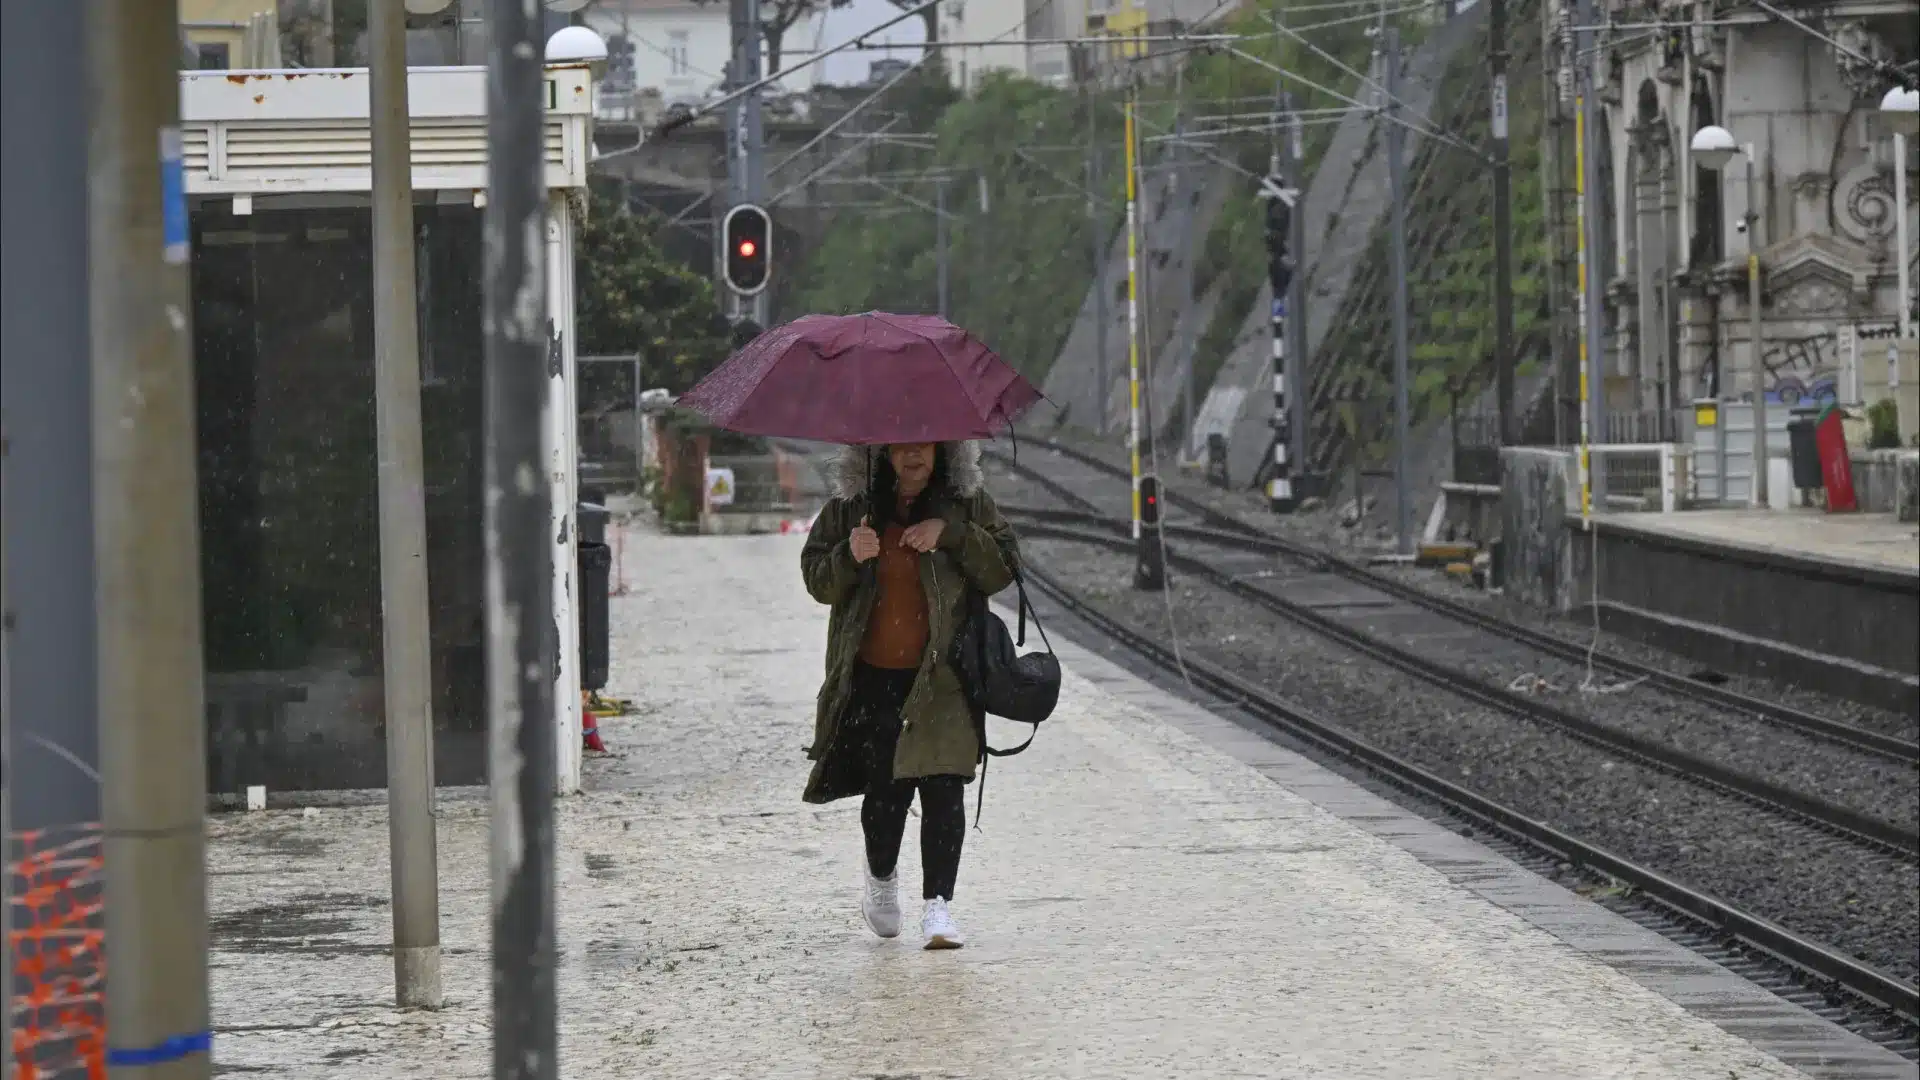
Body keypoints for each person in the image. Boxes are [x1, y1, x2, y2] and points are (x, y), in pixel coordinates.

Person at [800, 440, 1018, 949]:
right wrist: (848, 555)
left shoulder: (968, 503)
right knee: (887, 795)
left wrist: (954, 534)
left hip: (945, 678)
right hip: (874, 678)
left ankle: (939, 907)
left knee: (945, 789)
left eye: (924, 445)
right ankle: (879, 878)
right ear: (880, 451)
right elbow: (817, 579)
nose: (913, 455)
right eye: (900, 446)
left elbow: (1004, 567)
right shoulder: (851, 508)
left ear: (945, 450)